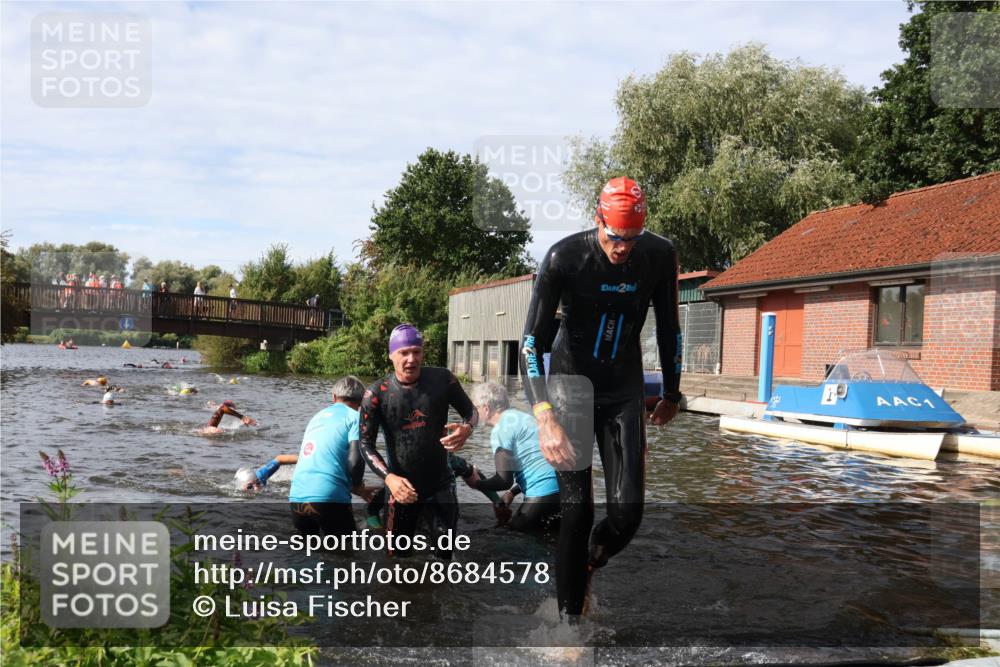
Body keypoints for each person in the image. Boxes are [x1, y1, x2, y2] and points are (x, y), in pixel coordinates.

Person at [520, 176, 682, 619]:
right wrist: (544, 417)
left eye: (632, 238)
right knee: (576, 510)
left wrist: (672, 391)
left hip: (622, 389)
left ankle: (592, 559)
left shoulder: (659, 256)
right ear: (598, 221)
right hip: (570, 388)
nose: (623, 248)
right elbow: (530, 344)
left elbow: (669, 329)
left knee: (628, 514)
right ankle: (570, 624)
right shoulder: (563, 258)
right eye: (614, 237)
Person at [359, 324, 477, 559]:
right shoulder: (376, 394)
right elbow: (365, 444)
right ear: (391, 355)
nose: (411, 359)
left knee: (445, 556)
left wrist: (467, 428)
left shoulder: (443, 379)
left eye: (417, 351)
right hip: (401, 488)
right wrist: (389, 478)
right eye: (404, 353)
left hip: (440, 483)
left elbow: (470, 411)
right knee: (397, 560)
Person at [244, 377, 381, 538]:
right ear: (361, 400)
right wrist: (358, 487)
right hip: (329, 500)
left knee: (307, 553)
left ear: (334, 397)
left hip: (297, 498)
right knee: (346, 555)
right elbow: (356, 461)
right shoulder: (355, 418)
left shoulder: (316, 417)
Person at [464, 382, 560, 534]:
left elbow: (503, 481)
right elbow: (537, 466)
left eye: (475, 407)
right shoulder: (523, 418)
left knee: (505, 539)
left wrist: (476, 483)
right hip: (563, 492)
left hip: (542, 494)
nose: (474, 413)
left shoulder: (501, 429)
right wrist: (512, 493)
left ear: (486, 408)